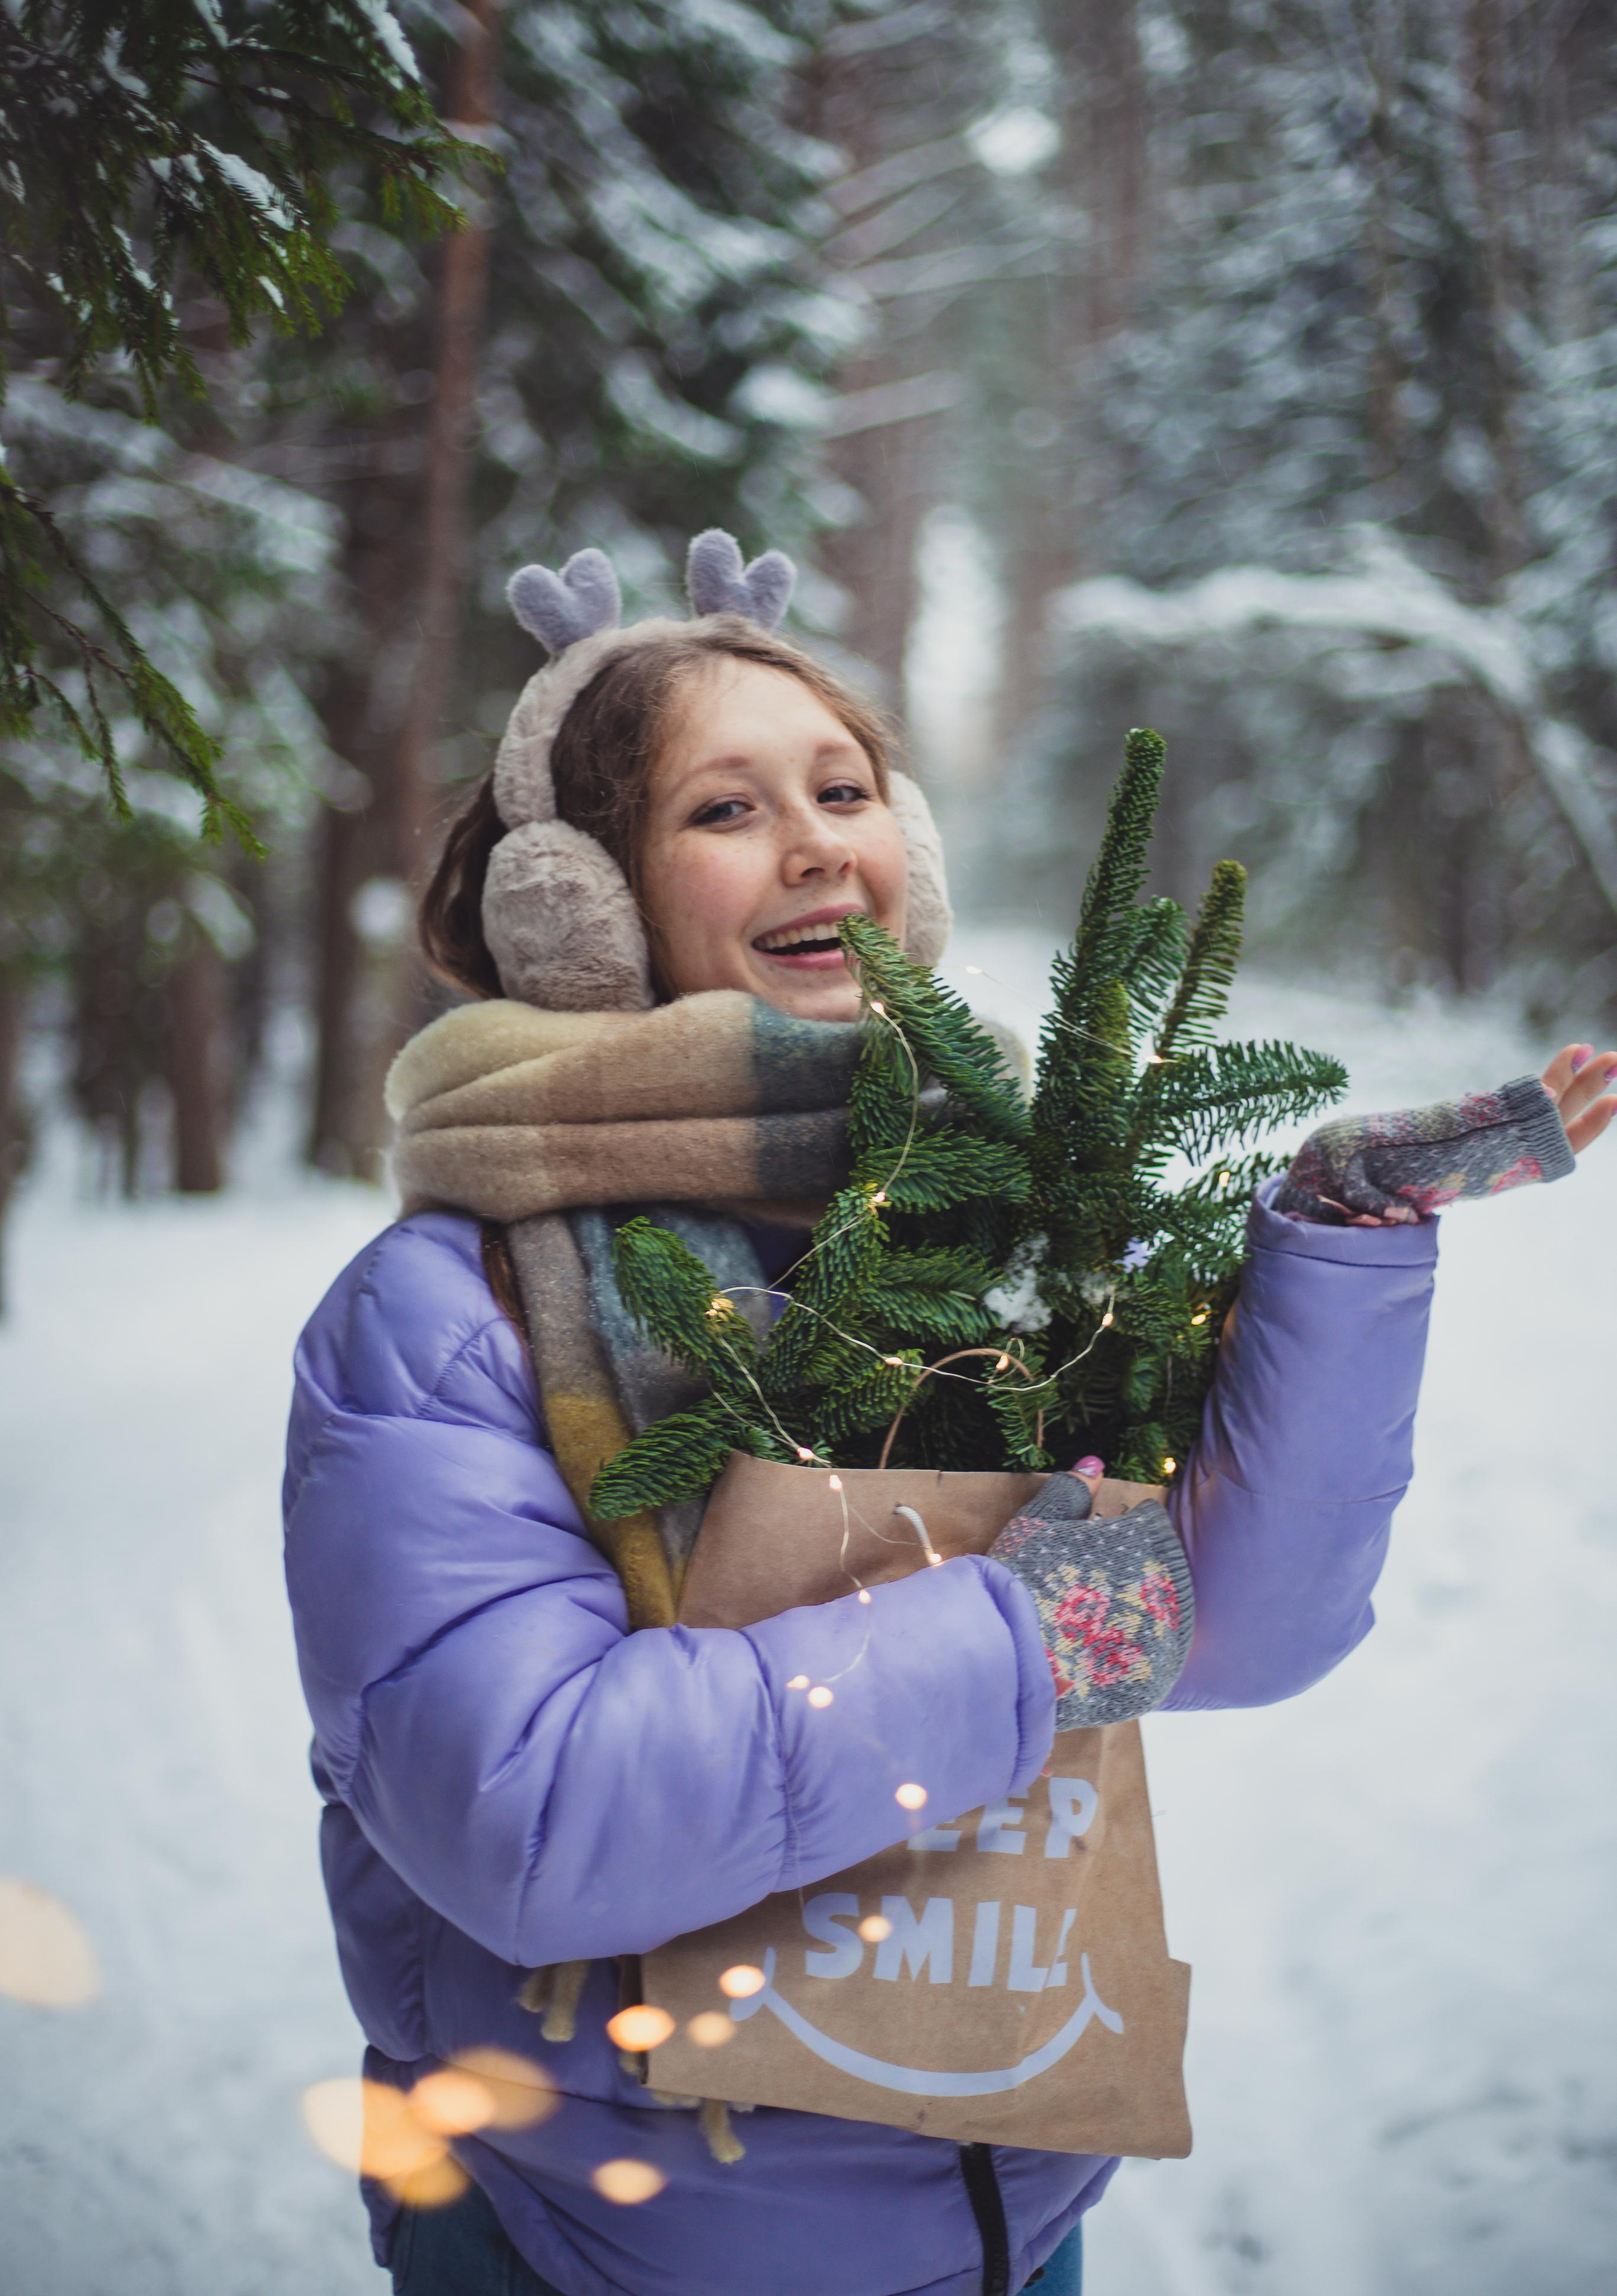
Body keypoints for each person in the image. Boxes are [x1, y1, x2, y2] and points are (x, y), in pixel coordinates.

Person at [283, 533, 1616, 2296]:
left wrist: (1342, 1253)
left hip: (1008, 2221)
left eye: (844, 788)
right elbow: (532, 1818)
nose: (819, 837)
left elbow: (1232, 1624)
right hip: (592, 2244)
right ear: (580, 912)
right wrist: (1021, 1634)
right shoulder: (445, 1320)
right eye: (726, 810)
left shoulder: (1005, 1225)